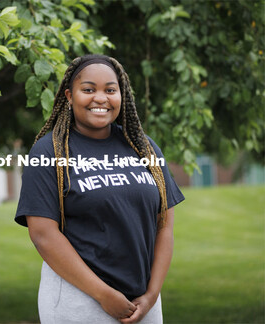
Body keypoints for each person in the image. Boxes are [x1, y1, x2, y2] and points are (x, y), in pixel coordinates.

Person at [15, 54, 185, 324]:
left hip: (144, 302)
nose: (100, 98)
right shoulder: (49, 151)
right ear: (69, 96)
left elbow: (164, 225)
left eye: (110, 90)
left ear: (122, 95)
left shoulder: (143, 147)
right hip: (81, 300)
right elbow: (43, 234)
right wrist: (103, 294)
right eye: (89, 89)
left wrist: (152, 293)